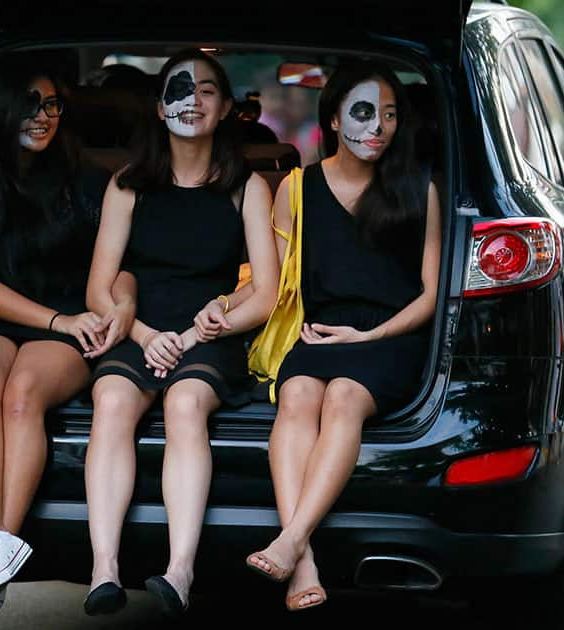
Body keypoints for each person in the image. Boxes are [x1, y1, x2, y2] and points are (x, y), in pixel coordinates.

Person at [82, 49, 280, 617]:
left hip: (211, 334)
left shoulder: (247, 187)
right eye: (178, 89)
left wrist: (193, 337)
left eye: (207, 91)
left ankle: (180, 571)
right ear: (158, 105)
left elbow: (266, 296)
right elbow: (98, 291)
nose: (191, 100)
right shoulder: (128, 185)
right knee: (111, 398)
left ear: (227, 110)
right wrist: (144, 336)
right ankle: (104, 569)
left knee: (187, 402)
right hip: (139, 329)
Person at [0, 55, 136, 612]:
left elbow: (119, 259)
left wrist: (121, 304)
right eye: (29, 105)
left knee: (23, 394)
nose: (43, 117)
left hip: (70, 318)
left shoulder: (85, 177)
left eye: (51, 105)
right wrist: (54, 319)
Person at [244, 61, 441, 611]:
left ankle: (289, 540)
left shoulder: (419, 188)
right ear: (333, 119)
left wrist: (370, 334)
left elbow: (429, 295)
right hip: (320, 335)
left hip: (392, 335)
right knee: (299, 395)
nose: (377, 126)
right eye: (363, 112)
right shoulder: (296, 187)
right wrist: (220, 308)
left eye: (390, 115)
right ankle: (300, 557)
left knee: (344, 397)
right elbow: (272, 280)